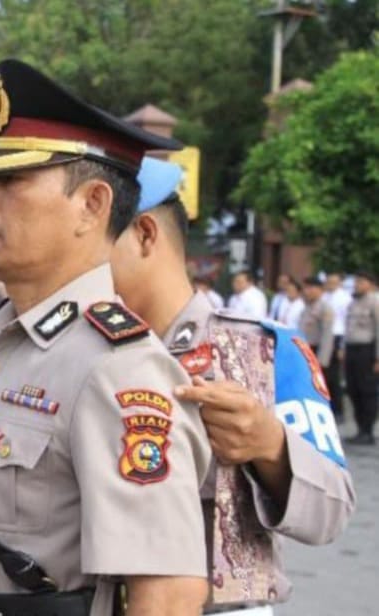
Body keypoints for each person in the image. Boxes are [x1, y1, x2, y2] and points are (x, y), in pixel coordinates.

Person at [0, 59, 212, 616]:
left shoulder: (117, 368)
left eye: (12, 180)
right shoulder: (1, 342)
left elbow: (168, 595)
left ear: (92, 205)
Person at [112, 158, 354, 614]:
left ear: (145, 234)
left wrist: (272, 447)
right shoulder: (80, 349)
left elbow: (333, 510)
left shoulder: (261, 349)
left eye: (98, 240)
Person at [343, 272, 379, 445]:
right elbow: (347, 328)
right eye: (356, 281)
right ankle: (359, 429)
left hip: (367, 350)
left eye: (361, 282)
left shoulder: (375, 301)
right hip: (352, 349)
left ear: (370, 284)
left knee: (367, 391)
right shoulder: (353, 302)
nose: (357, 284)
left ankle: (368, 430)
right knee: (353, 389)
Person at [323, 272, 353, 422]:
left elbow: (348, 322)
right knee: (324, 375)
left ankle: (339, 410)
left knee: (335, 377)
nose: (330, 284)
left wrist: (342, 345)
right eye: (329, 281)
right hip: (325, 336)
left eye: (334, 282)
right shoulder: (325, 296)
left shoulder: (345, 298)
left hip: (337, 336)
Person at [299, 277, 336, 382]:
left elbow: (327, 336)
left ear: (320, 290)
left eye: (310, 288)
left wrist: (322, 361)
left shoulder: (325, 308)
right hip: (306, 350)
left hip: (317, 351)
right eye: (305, 288)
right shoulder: (306, 307)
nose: (306, 291)